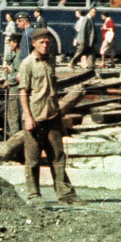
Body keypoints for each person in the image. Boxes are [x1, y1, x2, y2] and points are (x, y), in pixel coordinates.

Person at [18, 27, 78, 202]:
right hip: (35, 117)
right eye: (42, 43)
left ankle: (65, 193)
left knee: (58, 156)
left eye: (47, 43)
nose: (45, 46)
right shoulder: (27, 64)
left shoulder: (50, 61)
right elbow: (23, 93)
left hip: (52, 116)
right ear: (34, 43)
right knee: (33, 158)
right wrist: (28, 117)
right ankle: (34, 193)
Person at [0, 11, 33, 139]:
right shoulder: (16, 55)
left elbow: (21, 71)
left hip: (16, 88)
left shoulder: (25, 36)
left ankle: (16, 139)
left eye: (18, 22)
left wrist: (10, 81)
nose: (17, 25)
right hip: (19, 85)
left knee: (14, 115)